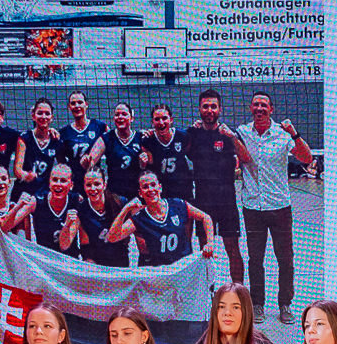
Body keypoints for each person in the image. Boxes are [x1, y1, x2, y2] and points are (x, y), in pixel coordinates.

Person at [235, 92, 312, 323]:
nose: (259, 108)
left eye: (264, 105)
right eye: (256, 104)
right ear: (251, 108)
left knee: (285, 258)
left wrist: (294, 133)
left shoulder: (283, 133)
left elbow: (306, 158)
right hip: (252, 206)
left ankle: (285, 304)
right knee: (255, 259)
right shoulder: (242, 132)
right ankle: (257, 304)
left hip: (279, 206)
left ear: (271, 109)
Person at [184, 90, 252, 288]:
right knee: (205, 251)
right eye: (205, 106)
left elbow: (246, 158)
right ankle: (208, 292)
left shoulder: (228, 134)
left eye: (213, 106)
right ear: (199, 109)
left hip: (227, 202)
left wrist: (232, 137)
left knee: (233, 250)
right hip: (203, 203)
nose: (209, 110)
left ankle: (238, 290)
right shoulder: (192, 134)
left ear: (220, 109)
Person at [113, 171, 216, 266]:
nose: (150, 189)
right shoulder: (140, 217)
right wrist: (125, 209)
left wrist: (210, 243)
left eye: (153, 185)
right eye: (145, 187)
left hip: (183, 267)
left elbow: (206, 217)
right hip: (161, 271)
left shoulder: (178, 204)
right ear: (140, 193)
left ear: (160, 187)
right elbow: (113, 237)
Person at [75, 168, 132, 267]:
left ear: (104, 185)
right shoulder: (82, 208)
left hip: (119, 261)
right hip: (95, 264)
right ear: (84, 187)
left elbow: (126, 239)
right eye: (88, 185)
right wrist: (89, 262)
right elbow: (85, 245)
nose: (93, 188)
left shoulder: (120, 203)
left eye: (97, 184)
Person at [141, 104, 196, 203]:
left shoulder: (183, 136)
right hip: (162, 191)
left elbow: (191, 154)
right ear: (152, 122)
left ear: (171, 120)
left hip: (183, 188)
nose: (161, 122)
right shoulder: (148, 141)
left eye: (164, 118)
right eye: (157, 119)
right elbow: (148, 167)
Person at [28, 161, 83, 257]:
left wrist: (67, 225)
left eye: (63, 181)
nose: (58, 184)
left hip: (69, 260)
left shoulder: (76, 201)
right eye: (55, 180)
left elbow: (64, 246)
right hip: (44, 260)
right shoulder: (37, 200)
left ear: (71, 185)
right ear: (49, 183)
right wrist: (17, 207)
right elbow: (6, 226)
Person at [15, 97, 66, 201]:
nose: (43, 117)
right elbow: (17, 170)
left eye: (47, 114)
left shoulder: (56, 141)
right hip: (23, 190)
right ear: (33, 116)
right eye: (40, 113)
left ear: (52, 117)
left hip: (44, 192)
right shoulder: (25, 138)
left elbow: (63, 168)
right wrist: (25, 175)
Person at [97, 102, 149, 200]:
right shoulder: (107, 138)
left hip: (137, 193)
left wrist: (143, 164)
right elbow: (91, 160)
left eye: (124, 114)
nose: (120, 117)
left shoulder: (141, 138)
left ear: (132, 118)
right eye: (117, 115)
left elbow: (150, 165)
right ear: (114, 118)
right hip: (114, 194)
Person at [58, 91, 106, 177]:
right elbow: (61, 162)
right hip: (73, 180)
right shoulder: (64, 133)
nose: (77, 106)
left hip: (93, 179)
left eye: (80, 102)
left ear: (86, 105)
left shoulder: (99, 127)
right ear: (69, 107)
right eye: (73, 103)